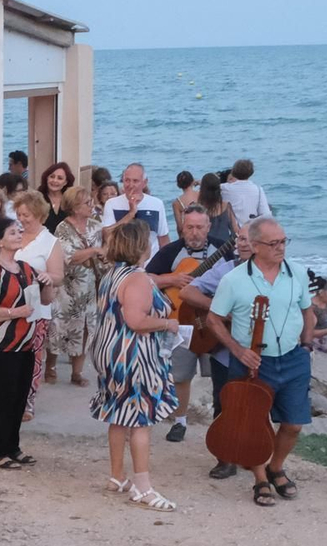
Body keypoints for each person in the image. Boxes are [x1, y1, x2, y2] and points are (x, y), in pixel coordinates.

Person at [206, 218, 313, 508]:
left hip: (292, 359)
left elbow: (308, 312)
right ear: (254, 246)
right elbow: (213, 319)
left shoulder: (298, 274)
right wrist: (237, 350)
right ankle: (259, 478)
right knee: (253, 422)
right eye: (273, 243)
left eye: (283, 241)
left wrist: (306, 345)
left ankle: (275, 466)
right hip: (252, 360)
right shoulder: (234, 280)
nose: (280, 248)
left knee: (293, 424)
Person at [90, 219, 180, 511]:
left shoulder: (112, 275)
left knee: (119, 415)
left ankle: (117, 476)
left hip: (109, 351)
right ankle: (144, 487)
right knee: (141, 419)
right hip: (133, 356)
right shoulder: (138, 279)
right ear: (142, 246)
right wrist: (168, 323)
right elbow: (137, 321)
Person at [179, 225, 256, 479]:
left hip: (262, 351)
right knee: (223, 403)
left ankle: (252, 454)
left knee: (256, 404)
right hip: (225, 351)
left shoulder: (278, 273)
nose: (242, 244)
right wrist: (219, 308)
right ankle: (225, 458)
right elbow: (187, 291)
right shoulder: (227, 269)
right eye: (240, 239)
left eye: (248, 239)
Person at [145, 205, 220, 443]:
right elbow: (145, 278)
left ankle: (222, 422)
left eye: (200, 227)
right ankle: (180, 422)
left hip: (213, 324)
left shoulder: (222, 250)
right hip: (181, 323)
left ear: (208, 227)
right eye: (190, 227)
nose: (195, 232)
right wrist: (172, 278)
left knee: (220, 375)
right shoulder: (170, 251)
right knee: (180, 376)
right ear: (181, 228)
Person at [0, 216, 42, 470]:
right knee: (3, 398)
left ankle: (13, 446)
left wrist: (47, 283)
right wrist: (13, 313)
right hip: (0, 345)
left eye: (19, 231)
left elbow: (42, 299)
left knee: (19, 398)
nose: (18, 235)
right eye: (13, 232)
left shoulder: (25, 268)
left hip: (25, 343)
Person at [44, 187, 104, 387]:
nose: (92, 206)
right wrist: (94, 250)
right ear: (75, 207)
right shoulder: (63, 227)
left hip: (90, 287)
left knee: (86, 327)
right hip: (67, 287)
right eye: (87, 203)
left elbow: (103, 255)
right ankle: (50, 367)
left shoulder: (96, 226)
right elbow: (68, 257)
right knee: (59, 326)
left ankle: (76, 372)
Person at [13, 190, 58, 419]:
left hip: (37, 308)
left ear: (39, 214)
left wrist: (44, 275)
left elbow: (58, 275)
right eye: (19, 213)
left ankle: (27, 402)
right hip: (9, 307)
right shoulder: (12, 235)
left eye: (27, 214)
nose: (22, 219)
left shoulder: (49, 242)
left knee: (32, 356)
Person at [100, 163, 171, 257]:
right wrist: (131, 214)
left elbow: (163, 239)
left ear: (144, 183)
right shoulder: (112, 204)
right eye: (127, 180)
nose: (131, 185)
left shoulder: (156, 204)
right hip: (122, 263)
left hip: (151, 264)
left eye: (135, 181)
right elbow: (107, 235)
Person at [221, 158, 273, 225]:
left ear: (233, 171)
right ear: (251, 172)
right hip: (250, 229)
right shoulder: (258, 189)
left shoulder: (224, 188)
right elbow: (266, 214)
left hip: (229, 229)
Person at [198, 172, 237, 250]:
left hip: (204, 250)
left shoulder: (197, 209)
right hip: (224, 250)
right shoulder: (226, 206)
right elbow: (235, 231)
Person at [39, 161, 77, 228]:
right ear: (47, 178)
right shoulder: (38, 198)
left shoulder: (70, 199)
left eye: (60, 178)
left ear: (65, 182)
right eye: (52, 177)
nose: (55, 180)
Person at [171, 170, 199, 234]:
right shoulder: (201, 195)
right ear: (192, 181)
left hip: (187, 234)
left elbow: (180, 227)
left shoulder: (177, 202)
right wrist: (199, 182)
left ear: (178, 184)